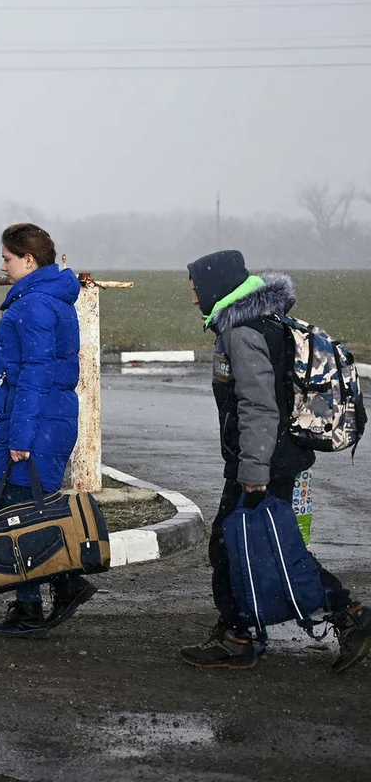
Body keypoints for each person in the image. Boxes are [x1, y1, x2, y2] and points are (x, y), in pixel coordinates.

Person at [180, 250, 371, 671]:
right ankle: (250, 632)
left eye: (195, 286)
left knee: (245, 549)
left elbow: (259, 406)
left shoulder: (243, 331)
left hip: (265, 461)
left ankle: (249, 635)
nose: (193, 297)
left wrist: (252, 470)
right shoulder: (262, 322)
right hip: (277, 455)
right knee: (268, 547)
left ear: (215, 285)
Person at [0, 223, 96, 638]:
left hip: (37, 426)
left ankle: (36, 604)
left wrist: (21, 439)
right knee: (31, 514)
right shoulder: (50, 299)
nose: (3, 265)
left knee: (18, 519)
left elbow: (34, 376)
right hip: (49, 421)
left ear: (29, 260)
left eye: (8, 258)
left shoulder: (34, 306)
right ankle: (55, 590)